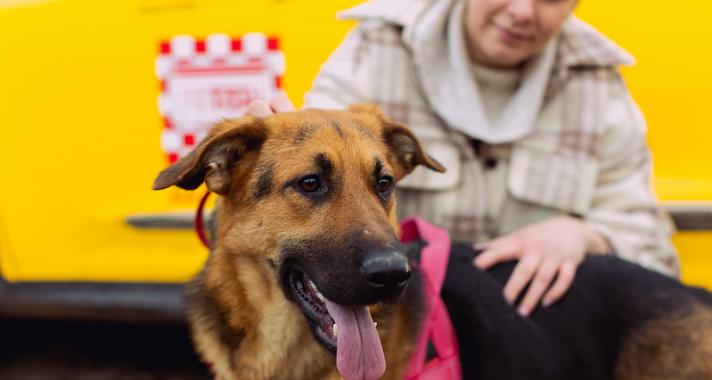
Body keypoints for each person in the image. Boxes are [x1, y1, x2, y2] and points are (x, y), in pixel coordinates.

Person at [248, 0, 679, 317]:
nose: (524, 12)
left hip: (538, 340)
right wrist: (267, 145)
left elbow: (654, 253)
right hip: (404, 326)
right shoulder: (374, 50)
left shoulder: (598, 85)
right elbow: (314, 165)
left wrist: (585, 236)